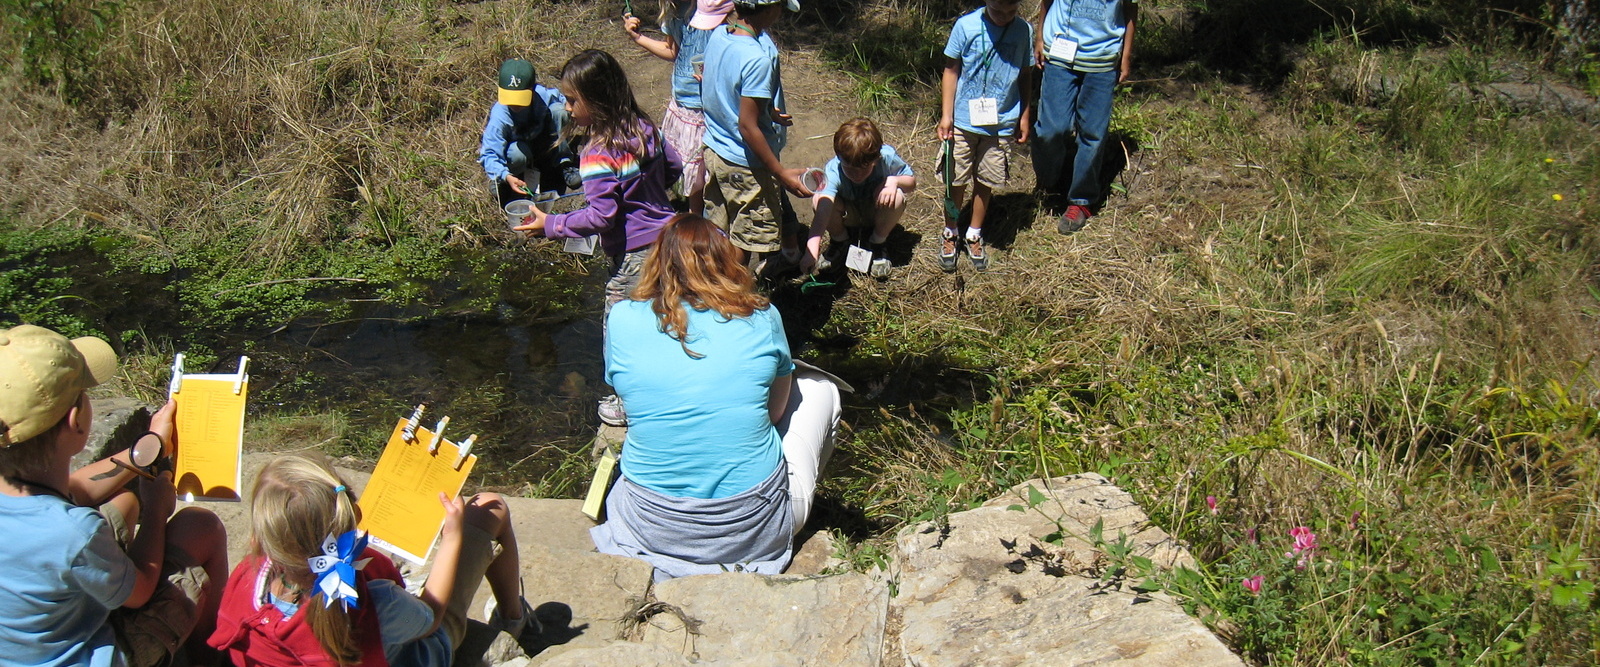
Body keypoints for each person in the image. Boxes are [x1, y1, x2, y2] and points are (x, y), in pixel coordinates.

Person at [591, 214, 841, 581]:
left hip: (649, 528)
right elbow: (774, 412)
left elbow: (623, 390)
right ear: (728, 261)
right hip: (750, 535)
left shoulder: (623, 317)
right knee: (823, 389)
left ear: (656, 263)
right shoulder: (762, 315)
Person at [0, 324, 229, 667]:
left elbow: (79, 487)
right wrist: (155, 512)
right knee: (201, 526)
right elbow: (140, 593)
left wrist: (152, 445)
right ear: (76, 420)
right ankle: (208, 655)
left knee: (124, 501)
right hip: (85, 655)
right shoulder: (74, 532)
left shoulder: (28, 496)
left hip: (22, 646)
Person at [208, 455, 534, 667]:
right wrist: (452, 539)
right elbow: (430, 618)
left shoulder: (249, 579)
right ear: (351, 515)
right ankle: (513, 619)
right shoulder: (376, 601)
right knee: (491, 506)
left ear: (263, 539)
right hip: (414, 650)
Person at [513, 48, 682, 428]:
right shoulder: (643, 126)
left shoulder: (596, 152)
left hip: (634, 256)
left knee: (620, 330)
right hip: (670, 241)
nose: (568, 108)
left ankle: (625, 403)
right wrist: (648, 196)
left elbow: (602, 216)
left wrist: (551, 225)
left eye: (573, 100)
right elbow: (673, 166)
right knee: (665, 317)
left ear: (597, 99)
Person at [700, 0, 810, 269]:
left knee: (720, 231)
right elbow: (747, 127)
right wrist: (779, 172)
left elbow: (724, 91)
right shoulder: (757, 59)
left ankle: (709, 288)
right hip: (745, 164)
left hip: (714, 150)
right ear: (770, 9)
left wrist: (767, 111)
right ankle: (732, 298)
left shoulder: (718, 35)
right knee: (744, 239)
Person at [938, 0, 1033, 272]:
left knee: (986, 179)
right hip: (964, 121)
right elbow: (951, 70)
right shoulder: (966, 26)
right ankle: (950, 231)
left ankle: (974, 233)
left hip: (1000, 123)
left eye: (1011, 12)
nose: (1004, 17)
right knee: (955, 178)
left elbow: (1025, 74)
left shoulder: (1023, 31)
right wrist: (947, 115)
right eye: (998, 11)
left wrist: (1024, 115)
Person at [1032, 0, 1136, 233]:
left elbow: (1130, 10)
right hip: (1059, 54)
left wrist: (1126, 55)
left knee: (1092, 134)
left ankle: (1081, 200)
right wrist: (1039, 37)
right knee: (1051, 128)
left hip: (1102, 60)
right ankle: (1048, 184)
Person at [623, 0, 731, 214]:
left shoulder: (712, 9)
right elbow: (672, 50)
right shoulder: (673, 12)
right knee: (687, 166)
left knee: (701, 171)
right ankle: (695, 216)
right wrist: (638, 37)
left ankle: (698, 218)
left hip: (705, 104)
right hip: (682, 101)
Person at [802, 118, 917, 277]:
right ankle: (840, 240)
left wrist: (893, 181)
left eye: (864, 169)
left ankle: (878, 241)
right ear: (839, 157)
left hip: (877, 210)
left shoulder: (886, 158)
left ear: (875, 159)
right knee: (819, 199)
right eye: (849, 168)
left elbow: (911, 183)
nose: (857, 175)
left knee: (897, 196)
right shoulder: (833, 171)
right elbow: (823, 211)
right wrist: (812, 250)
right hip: (849, 214)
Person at [479, 58, 581, 208]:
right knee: (517, 153)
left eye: (520, 98)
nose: (514, 104)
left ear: (533, 90)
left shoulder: (543, 95)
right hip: (519, 153)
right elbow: (488, 154)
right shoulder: (500, 115)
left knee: (560, 111)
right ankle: (504, 179)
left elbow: (566, 102)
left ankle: (563, 163)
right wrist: (504, 175)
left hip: (542, 144)